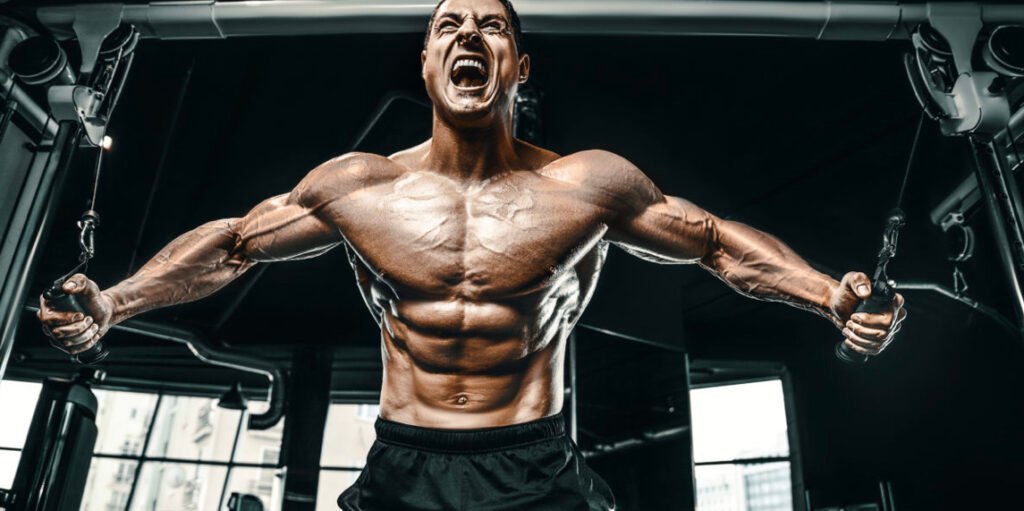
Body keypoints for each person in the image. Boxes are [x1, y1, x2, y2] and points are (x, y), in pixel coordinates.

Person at [37, 0, 907, 509]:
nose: (468, 37)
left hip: (537, 462)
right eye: (449, 24)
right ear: (424, 61)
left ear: (518, 64)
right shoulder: (357, 186)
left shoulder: (588, 186)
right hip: (403, 460)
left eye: (491, 28)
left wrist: (829, 293)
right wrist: (114, 303)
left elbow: (713, 241)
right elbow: (233, 245)